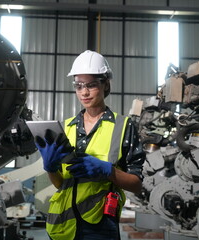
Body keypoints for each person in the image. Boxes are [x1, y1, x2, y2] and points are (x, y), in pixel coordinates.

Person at [34, 50, 145, 240]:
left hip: (99, 226)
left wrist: (108, 171)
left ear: (105, 84)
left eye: (91, 85)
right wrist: (51, 169)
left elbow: (137, 185)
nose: (84, 92)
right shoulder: (66, 127)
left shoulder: (123, 126)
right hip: (61, 225)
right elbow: (61, 184)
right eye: (78, 86)